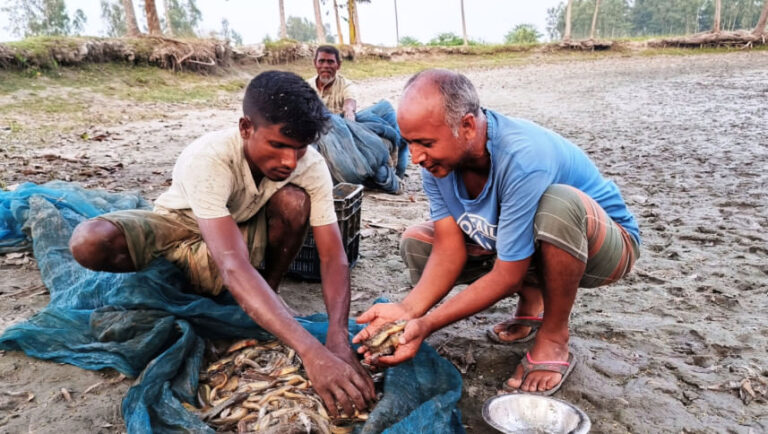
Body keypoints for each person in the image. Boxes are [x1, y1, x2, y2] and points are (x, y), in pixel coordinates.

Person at [68, 71, 375, 416]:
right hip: (181, 223)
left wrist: (337, 336)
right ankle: (175, 282)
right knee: (90, 241)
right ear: (246, 128)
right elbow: (233, 265)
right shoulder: (211, 157)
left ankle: (269, 292)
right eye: (278, 145)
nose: (290, 161)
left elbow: (333, 256)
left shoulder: (310, 165)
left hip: (238, 226)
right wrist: (312, 353)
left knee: (294, 202)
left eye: (299, 148)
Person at [353, 69, 640, 396]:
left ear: (467, 126)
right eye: (410, 143)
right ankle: (531, 300)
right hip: (526, 243)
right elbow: (448, 249)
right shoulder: (438, 164)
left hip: (605, 247)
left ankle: (554, 335)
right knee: (419, 242)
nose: (416, 157)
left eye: (426, 144)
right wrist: (408, 311)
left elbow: (507, 274)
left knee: (558, 206)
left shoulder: (522, 157)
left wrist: (428, 324)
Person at [307, 45, 358, 122]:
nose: (325, 66)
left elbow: (350, 104)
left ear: (338, 65)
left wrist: (349, 112)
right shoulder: (306, 86)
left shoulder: (346, 85)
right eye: (321, 61)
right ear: (315, 63)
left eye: (330, 62)